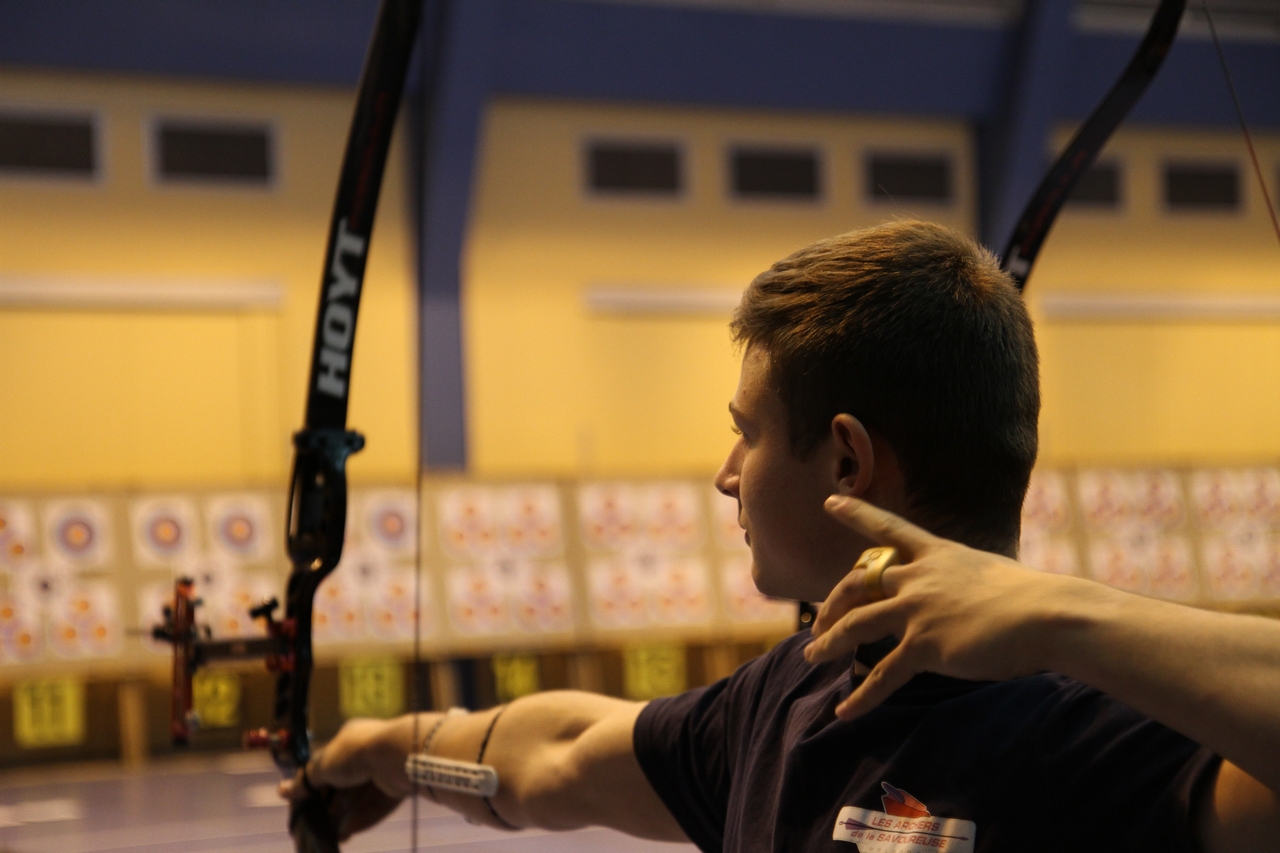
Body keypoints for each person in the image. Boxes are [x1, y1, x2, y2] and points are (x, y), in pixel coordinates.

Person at [281, 221, 1280, 851]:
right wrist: (386, 750)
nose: (725, 474)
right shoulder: (791, 698)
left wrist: (1066, 620)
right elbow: (564, 750)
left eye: (745, 432)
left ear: (844, 462)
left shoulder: (1110, 738)